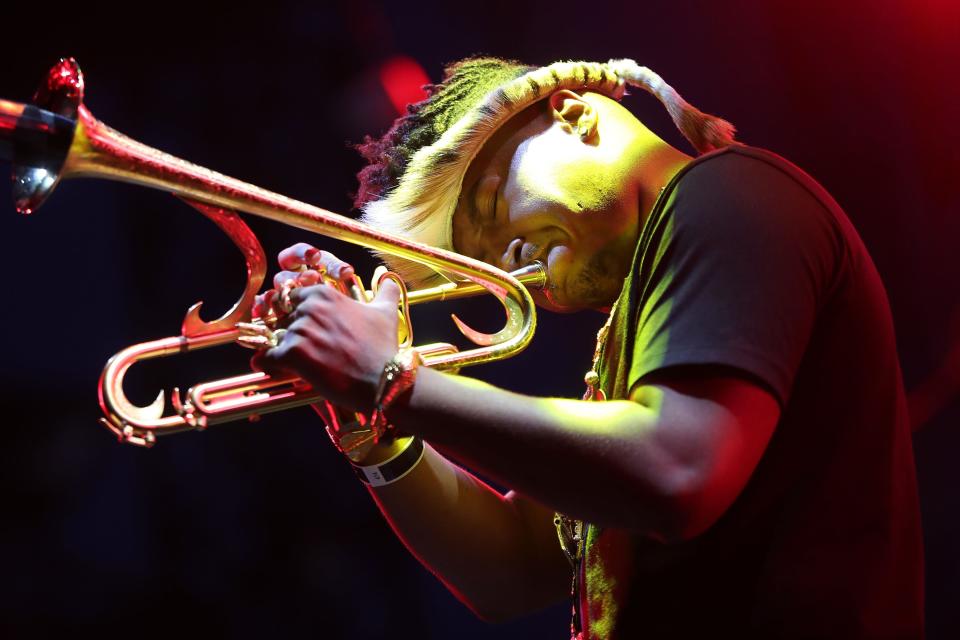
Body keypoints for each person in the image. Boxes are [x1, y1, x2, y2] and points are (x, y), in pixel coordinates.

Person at [252, 58, 925, 638]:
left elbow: (676, 470)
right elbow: (511, 570)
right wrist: (377, 434)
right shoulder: (627, 344)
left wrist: (393, 379)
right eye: (477, 260)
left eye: (488, 214)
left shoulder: (729, 195)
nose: (504, 264)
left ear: (572, 115)